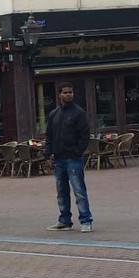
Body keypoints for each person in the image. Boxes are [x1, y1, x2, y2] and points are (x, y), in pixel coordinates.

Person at [44, 82, 93, 232]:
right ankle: (64, 220)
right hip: (58, 159)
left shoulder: (79, 113)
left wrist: (77, 152)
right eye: (65, 92)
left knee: (79, 190)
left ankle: (86, 220)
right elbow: (49, 136)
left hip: (73, 158)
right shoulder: (53, 114)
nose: (68, 95)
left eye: (70, 92)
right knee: (61, 192)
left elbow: (85, 135)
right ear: (59, 95)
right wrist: (47, 155)